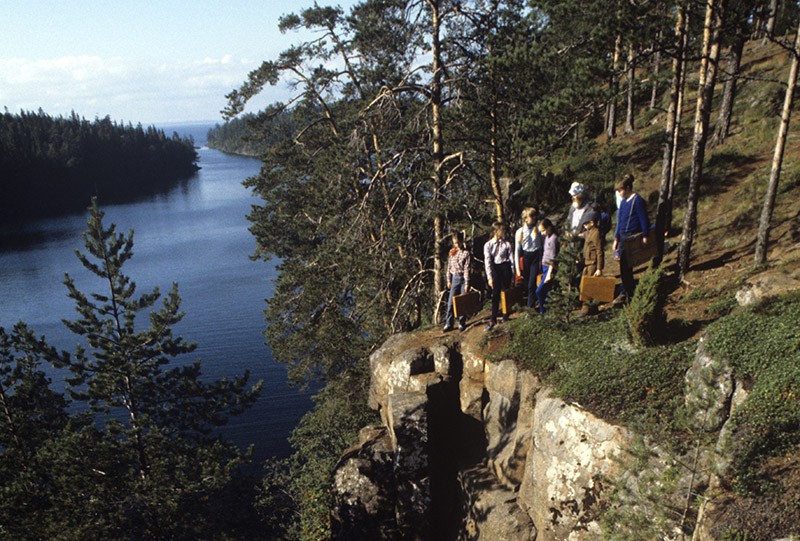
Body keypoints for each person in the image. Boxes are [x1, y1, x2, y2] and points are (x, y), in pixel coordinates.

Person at [612, 173, 650, 301]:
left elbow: (643, 218)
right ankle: (628, 291)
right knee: (623, 267)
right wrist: (616, 238)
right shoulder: (623, 203)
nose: (619, 192)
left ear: (628, 188)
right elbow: (620, 221)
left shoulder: (637, 200)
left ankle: (630, 292)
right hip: (623, 236)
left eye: (620, 190)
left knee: (627, 266)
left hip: (632, 235)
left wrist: (645, 235)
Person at [483, 222, 515, 331]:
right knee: (495, 294)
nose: (503, 232)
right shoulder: (488, 245)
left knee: (505, 292)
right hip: (495, 268)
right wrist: (489, 277)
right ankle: (493, 317)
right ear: (495, 231)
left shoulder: (507, 244)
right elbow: (487, 261)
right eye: (501, 230)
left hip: (505, 267)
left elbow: (511, 261)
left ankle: (506, 314)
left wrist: (513, 276)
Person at [514, 207, 542, 309]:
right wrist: (517, 268)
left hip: (535, 257)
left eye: (535, 216)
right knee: (527, 284)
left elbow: (541, 246)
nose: (534, 218)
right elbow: (517, 251)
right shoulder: (520, 232)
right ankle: (532, 303)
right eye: (532, 216)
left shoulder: (538, 230)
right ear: (526, 218)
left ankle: (531, 308)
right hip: (526, 258)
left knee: (531, 284)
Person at [443, 231, 471, 332]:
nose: (457, 244)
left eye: (458, 242)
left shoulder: (466, 253)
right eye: (455, 243)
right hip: (454, 278)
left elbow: (467, 269)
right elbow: (449, 267)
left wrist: (467, 283)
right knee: (451, 301)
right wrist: (448, 280)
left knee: (462, 301)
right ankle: (448, 323)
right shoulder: (452, 252)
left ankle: (461, 323)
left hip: (463, 278)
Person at [579, 211, 604, 316]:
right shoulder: (589, 232)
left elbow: (599, 251)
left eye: (586, 223)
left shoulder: (596, 233)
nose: (584, 226)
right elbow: (584, 235)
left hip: (593, 264)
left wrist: (599, 268)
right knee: (584, 285)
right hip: (587, 262)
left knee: (588, 287)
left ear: (592, 223)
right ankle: (593, 308)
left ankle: (586, 310)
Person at [535, 218, 559, 315]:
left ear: (549, 228)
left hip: (549, 268)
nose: (542, 233)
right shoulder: (547, 237)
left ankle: (542, 311)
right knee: (547, 291)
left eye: (544, 231)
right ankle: (548, 312)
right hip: (544, 266)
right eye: (541, 231)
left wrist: (549, 272)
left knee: (539, 291)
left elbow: (553, 257)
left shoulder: (553, 238)